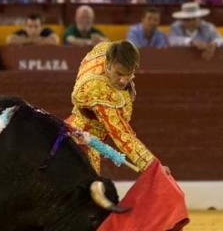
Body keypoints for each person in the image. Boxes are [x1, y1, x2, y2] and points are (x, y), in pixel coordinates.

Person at [67, 39, 159, 173]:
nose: (124, 81)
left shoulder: (104, 49)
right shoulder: (100, 90)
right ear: (108, 64)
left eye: (129, 74)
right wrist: (150, 165)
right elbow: (121, 134)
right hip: (82, 145)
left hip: (81, 135)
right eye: (119, 74)